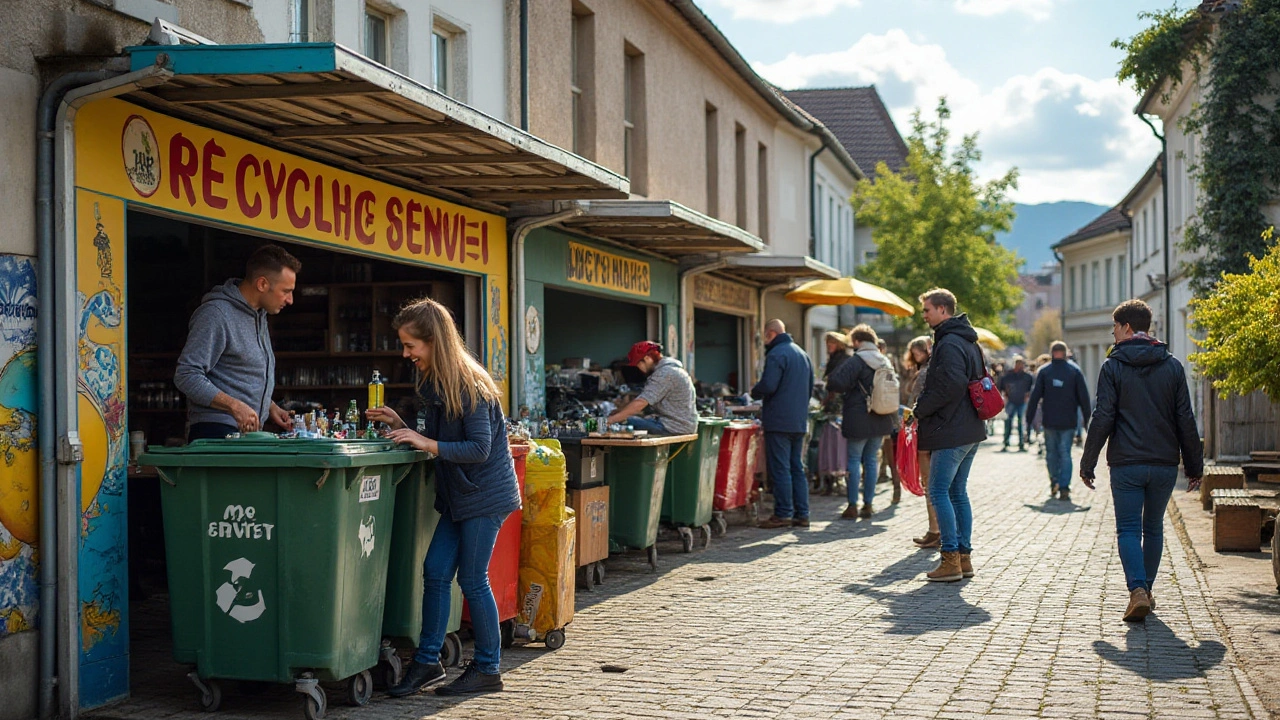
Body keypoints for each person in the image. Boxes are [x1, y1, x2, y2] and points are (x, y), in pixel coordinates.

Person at [372, 297, 521, 696]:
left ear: (433, 341)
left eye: (410, 346)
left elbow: (478, 449)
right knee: (436, 571)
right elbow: (440, 438)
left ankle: (488, 668)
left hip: (486, 496)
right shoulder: (434, 380)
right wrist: (402, 425)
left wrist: (423, 440)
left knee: (472, 580)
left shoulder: (469, 385)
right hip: (460, 497)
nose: (406, 354)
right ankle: (427, 663)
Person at [1080, 299, 1203, 623]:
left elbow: (1103, 416)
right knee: (1153, 528)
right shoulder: (1173, 365)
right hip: (1163, 463)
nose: (1113, 334)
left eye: (1115, 328)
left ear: (1127, 328)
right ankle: (1145, 591)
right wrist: (1194, 467)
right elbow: (1185, 419)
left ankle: (1137, 591)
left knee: (1129, 529)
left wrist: (1088, 462)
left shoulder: (1113, 366)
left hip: (1127, 463)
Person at [175, 245, 298, 441]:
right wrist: (234, 406)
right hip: (215, 433)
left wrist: (269, 406)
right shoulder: (216, 314)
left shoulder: (259, 315)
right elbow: (186, 375)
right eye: (286, 291)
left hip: (246, 434)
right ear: (262, 284)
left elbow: (237, 376)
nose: (290, 300)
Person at [911, 288, 986, 582]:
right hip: (968, 429)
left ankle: (951, 559)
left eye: (927, 310)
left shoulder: (949, 342)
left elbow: (951, 385)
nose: (924, 315)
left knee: (939, 491)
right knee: (957, 492)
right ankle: (963, 559)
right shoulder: (967, 340)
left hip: (951, 429)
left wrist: (920, 409)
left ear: (943, 310)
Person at [827, 325, 896, 519]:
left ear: (857, 342)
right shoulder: (885, 360)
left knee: (854, 460)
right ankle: (868, 504)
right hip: (881, 414)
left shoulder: (857, 360)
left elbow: (836, 382)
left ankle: (852, 505)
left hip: (858, 415)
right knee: (872, 460)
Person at [751, 319, 815, 529]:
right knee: (797, 467)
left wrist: (754, 391)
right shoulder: (802, 354)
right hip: (798, 420)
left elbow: (769, 385)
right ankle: (802, 513)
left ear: (771, 334)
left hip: (779, 420)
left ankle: (783, 513)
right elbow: (809, 388)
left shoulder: (777, 354)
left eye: (765, 337)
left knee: (780, 468)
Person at [1025, 341, 1091, 502]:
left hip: (1049, 421)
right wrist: (1086, 422)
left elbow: (1034, 398)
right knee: (1065, 454)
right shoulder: (1074, 371)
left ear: (1052, 353)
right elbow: (1084, 399)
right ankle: (1064, 487)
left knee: (1051, 454)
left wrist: (1029, 421)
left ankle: (1054, 480)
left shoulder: (1044, 371)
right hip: (1068, 421)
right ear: (1066, 352)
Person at [607, 341, 697, 436]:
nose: (638, 368)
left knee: (624, 423)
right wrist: (621, 412)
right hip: (677, 424)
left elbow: (641, 402)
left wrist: (611, 420)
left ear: (647, 358)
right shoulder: (670, 370)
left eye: (638, 363)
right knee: (628, 419)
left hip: (674, 427)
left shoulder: (665, 374)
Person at [902, 336, 939, 548]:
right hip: (937, 433)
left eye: (918, 353)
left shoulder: (925, 372)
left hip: (925, 433)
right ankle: (938, 530)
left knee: (931, 485)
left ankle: (936, 530)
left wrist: (907, 421)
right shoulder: (932, 369)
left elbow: (914, 404)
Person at [816, 331, 853, 493]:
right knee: (829, 443)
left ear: (839, 344)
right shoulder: (833, 360)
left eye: (831, 343)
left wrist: (830, 395)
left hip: (840, 409)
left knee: (838, 444)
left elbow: (839, 384)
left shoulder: (844, 360)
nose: (828, 346)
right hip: (832, 409)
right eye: (827, 343)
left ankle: (839, 476)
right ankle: (830, 478)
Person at [997, 356, 1033, 452]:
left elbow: (1031, 388)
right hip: (1010, 401)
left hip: (1022, 401)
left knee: (1021, 423)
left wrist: (1027, 395)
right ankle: (1006, 442)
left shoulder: (1027, 376)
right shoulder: (1008, 376)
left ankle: (1021, 443)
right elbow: (1001, 386)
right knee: (1008, 422)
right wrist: (1004, 396)